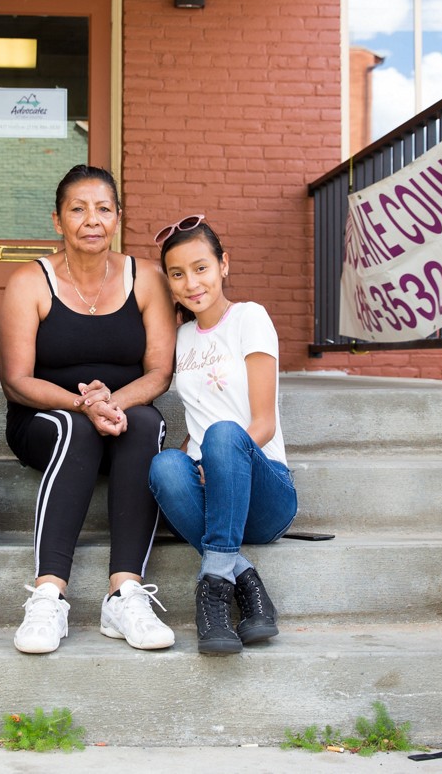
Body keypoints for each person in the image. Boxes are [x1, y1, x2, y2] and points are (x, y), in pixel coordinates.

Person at [0, 164, 177, 655]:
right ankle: (48, 595)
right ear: (58, 221)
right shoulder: (28, 282)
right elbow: (16, 380)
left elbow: (160, 372)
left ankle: (125, 594)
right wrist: (83, 404)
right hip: (44, 419)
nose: (91, 220)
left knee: (147, 422)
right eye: (77, 209)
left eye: (103, 209)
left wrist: (112, 403)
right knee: (75, 429)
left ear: (117, 217)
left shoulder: (147, 279)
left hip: (120, 416)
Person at [147, 215, 297, 655]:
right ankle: (246, 580)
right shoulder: (181, 337)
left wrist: (217, 457)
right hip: (214, 493)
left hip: (266, 488)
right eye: (177, 274)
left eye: (201, 268)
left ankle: (212, 590)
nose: (191, 282)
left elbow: (263, 424)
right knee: (163, 465)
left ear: (223, 265)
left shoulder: (250, 318)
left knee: (223, 435)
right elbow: (195, 421)